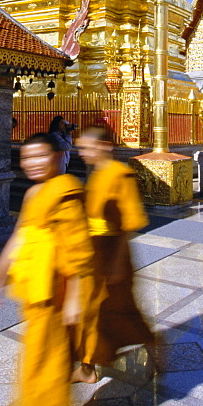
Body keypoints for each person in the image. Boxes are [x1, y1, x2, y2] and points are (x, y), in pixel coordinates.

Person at [0, 132, 93, 406]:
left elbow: (80, 248)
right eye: (27, 157)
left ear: (60, 156)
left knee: (51, 351)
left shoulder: (68, 190)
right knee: (41, 349)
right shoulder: (33, 194)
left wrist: (74, 297)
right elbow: (19, 237)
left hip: (61, 283)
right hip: (37, 281)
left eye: (41, 156)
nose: (33, 163)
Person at [74, 125, 159, 383]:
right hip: (94, 254)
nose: (82, 154)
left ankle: (154, 349)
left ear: (104, 147)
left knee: (123, 311)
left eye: (86, 148)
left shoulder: (122, 175)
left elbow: (128, 225)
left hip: (114, 254)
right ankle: (87, 367)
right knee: (90, 314)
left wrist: (115, 262)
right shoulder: (98, 174)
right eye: (81, 149)